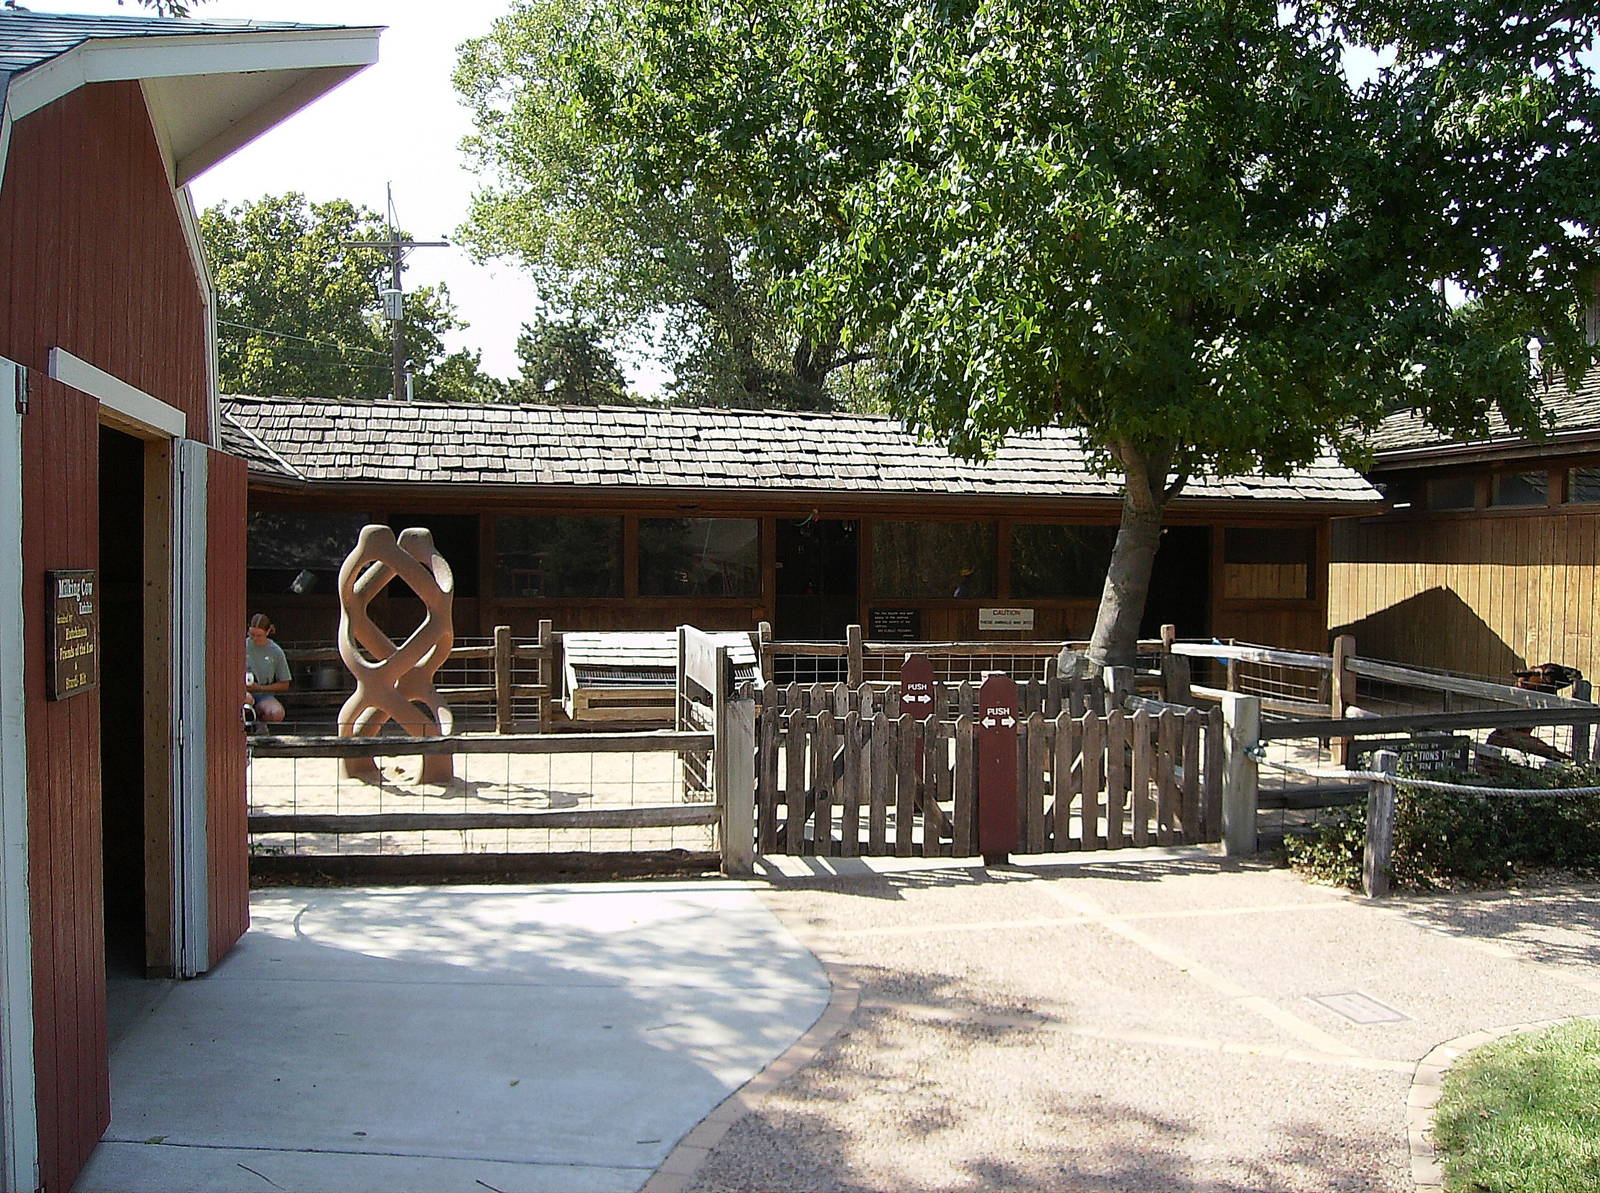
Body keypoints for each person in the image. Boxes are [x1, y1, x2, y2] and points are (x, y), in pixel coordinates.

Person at [246, 613, 292, 725]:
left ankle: (262, 725)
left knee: (276, 713)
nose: (254, 638)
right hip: (243, 692)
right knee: (246, 700)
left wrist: (260, 688)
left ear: (267, 632)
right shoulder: (241, 646)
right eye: (252, 634)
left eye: (259, 635)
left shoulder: (276, 651)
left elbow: (284, 683)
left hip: (263, 693)